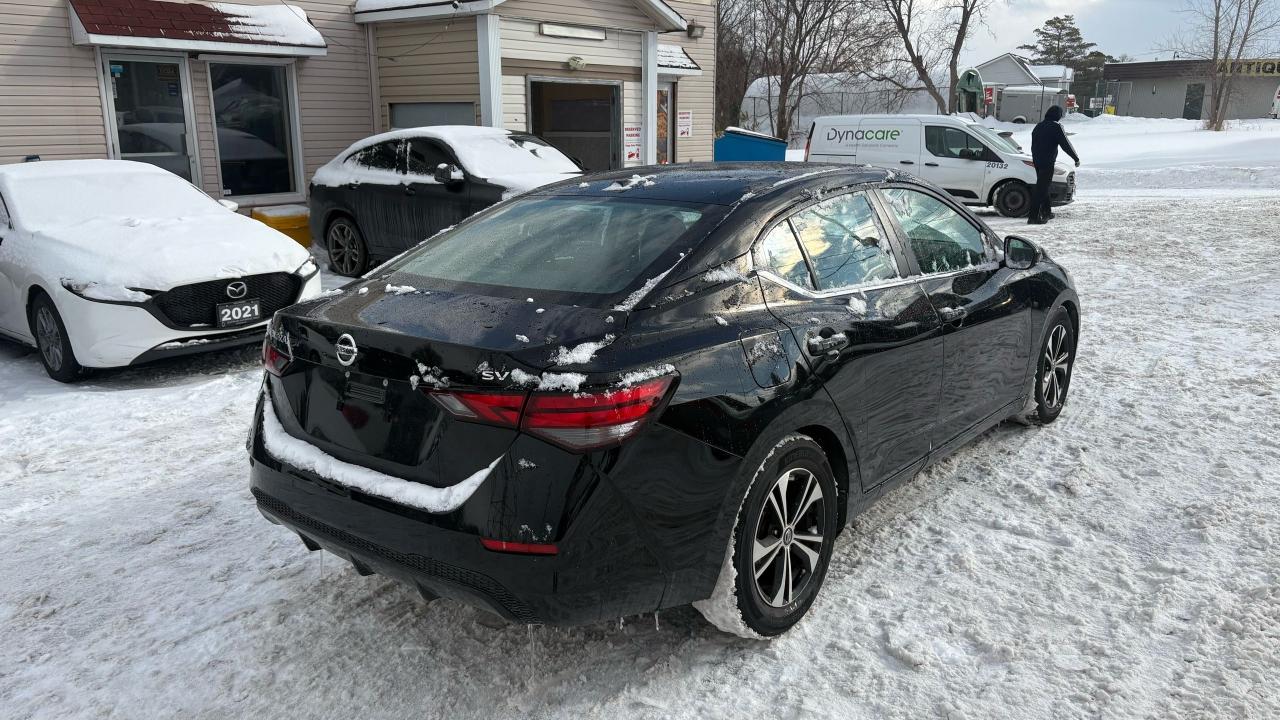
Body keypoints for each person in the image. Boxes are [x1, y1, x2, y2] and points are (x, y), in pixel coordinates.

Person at [1028, 105, 1079, 224]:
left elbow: (1033, 144)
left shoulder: (1038, 126)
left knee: (1043, 186)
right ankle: (1033, 217)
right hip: (1048, 162)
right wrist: (1075, 158)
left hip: (1037, 161)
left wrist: (1037, 158)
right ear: (1058, 115)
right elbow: (1065, 144)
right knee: (1041, 188)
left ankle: (1047, 212)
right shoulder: (1056, 127)